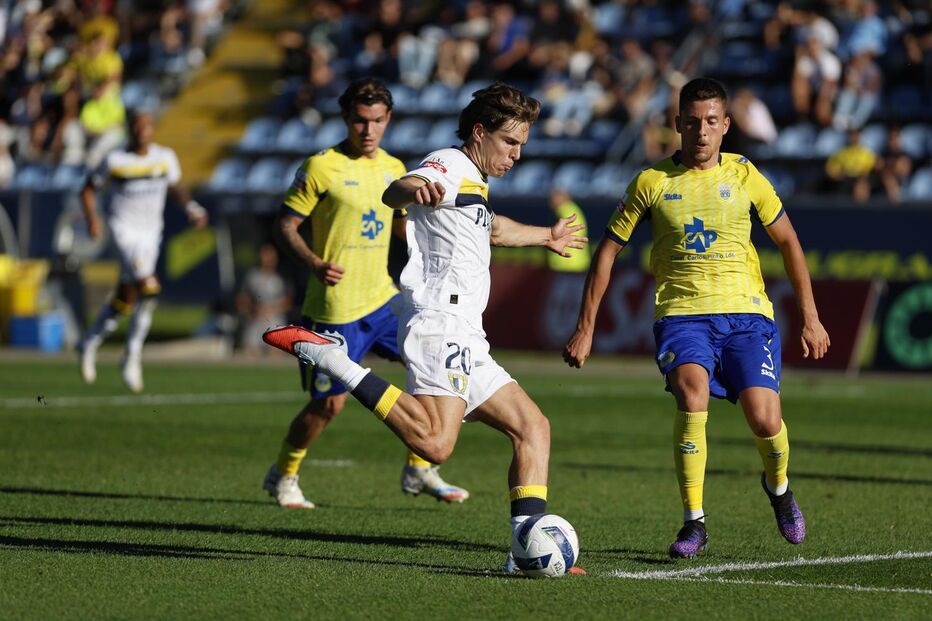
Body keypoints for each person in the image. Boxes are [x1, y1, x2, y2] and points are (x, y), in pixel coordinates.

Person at [263, 83, 587, 573]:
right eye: (511, 142)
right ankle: (334, 359)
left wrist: (547, 236)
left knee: (532, 428)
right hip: (439, 322)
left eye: (522, 144)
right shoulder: (447, 164)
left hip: (466, 331)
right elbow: (395, 190)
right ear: (480, 133)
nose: (518, 155)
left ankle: (526, 549)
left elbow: (493, 228)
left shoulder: (475, 180)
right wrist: (416, 188)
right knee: (435, 444)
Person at [563, 78, 830, 559]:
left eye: (711, 122)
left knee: (765, 419)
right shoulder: (652, 182)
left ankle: (779, 489)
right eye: (692, 122)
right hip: (683, 316)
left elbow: (789, 241)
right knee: (692, 393)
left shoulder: (747, 175)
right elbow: (606, 253)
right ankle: (694, 523)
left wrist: (811, 317)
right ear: (677, 125)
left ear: (726, 126)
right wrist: (585, 328)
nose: (701, 132)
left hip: (747, 314)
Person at [261, 78, 469, 510]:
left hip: (383, 300)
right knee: (328, 407)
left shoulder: (395, 169)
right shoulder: (321, 167)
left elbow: (402, 230)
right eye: (359, 120)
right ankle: (283, 474)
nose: (368, 129)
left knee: (431, 371)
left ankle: (419, 466)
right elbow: (285, 226)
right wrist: (315, 263)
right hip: (335, 309)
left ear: (388, 120)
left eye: (376, 121)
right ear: (346, 119)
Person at [78, 109, 208, 392]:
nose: (141, 132)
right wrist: (92, 220)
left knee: (129, 297)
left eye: (145, 126)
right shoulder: (115, 160)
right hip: (122, 230)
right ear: (129, 130)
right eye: (136, 127)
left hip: (151, 234)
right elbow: (87, 189)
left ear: (152, 129)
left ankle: (89, 342)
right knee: (148, 287)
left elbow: (176, 187)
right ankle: (131, 357)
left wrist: (192, 207)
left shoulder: (164, 158)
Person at [236, 243, 291, 358]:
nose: (267, 260)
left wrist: (270, 309)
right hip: (256, 319)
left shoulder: (281, 277)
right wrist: (251, 309)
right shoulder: (252, 276)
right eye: (265, 256)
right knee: (249, 352)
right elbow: (242, 299)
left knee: (275, 353)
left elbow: (288, 302)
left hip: (275, 319)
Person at [547, 188, 589, 273]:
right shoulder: (573, 209)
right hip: (576, 264)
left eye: (553, 198)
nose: (550, 201)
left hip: (566, 265)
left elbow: (555, 236)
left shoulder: (565, 211)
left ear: (561, 198)